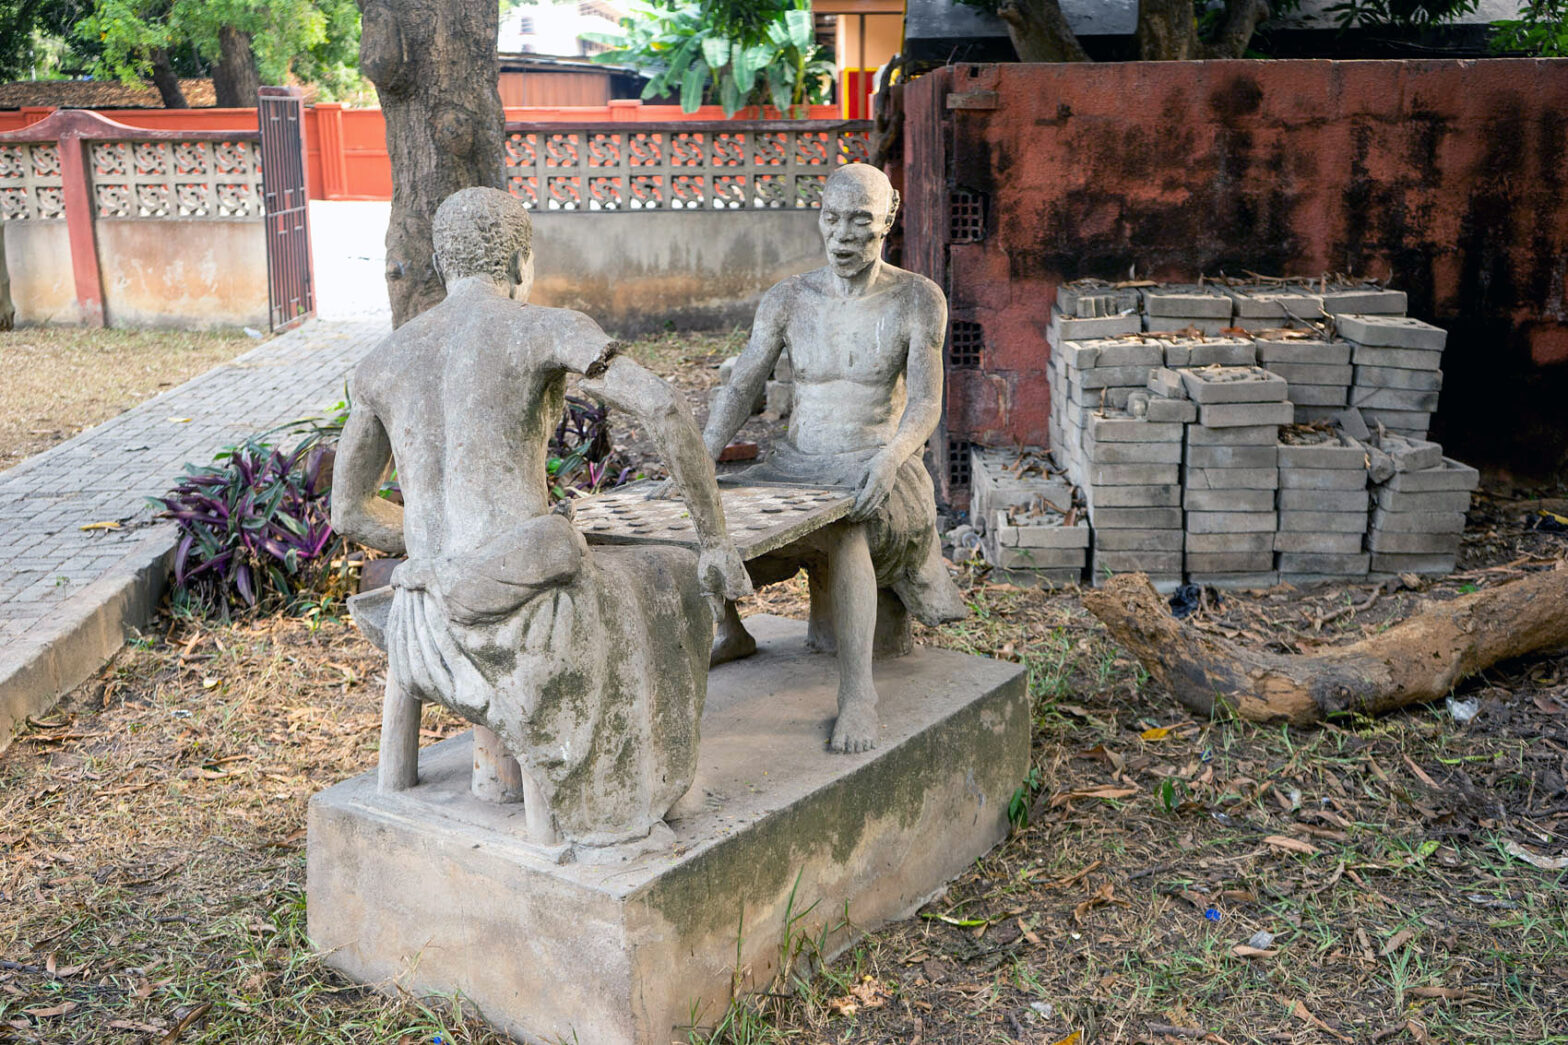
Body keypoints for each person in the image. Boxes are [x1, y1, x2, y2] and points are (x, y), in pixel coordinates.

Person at [331, 187, 750, 848]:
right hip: (519, 615)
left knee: (584, 555)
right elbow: (664, 409)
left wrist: (435, 555)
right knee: (670, 571)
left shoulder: (382, 361)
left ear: (442, 265)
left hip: (421, 618)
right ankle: (653, 797)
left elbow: (347, 510)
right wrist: (716, 539)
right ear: (523, 262)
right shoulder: (543, 327)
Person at [701, 163, 966, 755]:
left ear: (888, 222)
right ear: (819, 218)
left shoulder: (916, 299)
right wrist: (702, 455)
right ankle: (731, 629)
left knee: (846, 534)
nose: (845, 236)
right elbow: (744, 383)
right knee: (702, 508)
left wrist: (894, 456)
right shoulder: (789, 299)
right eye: (833, 219)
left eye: (862, 222)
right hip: (795, 465)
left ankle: (857, 695)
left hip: (876, 470)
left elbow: (925, 403)